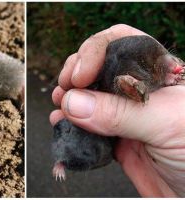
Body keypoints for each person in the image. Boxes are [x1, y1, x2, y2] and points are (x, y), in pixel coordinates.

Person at [49, 24, 185, 197]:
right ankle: (61, 162)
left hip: (111, 143)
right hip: (91, 136)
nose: (176, 66)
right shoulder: (127, 73)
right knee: (73, 148)